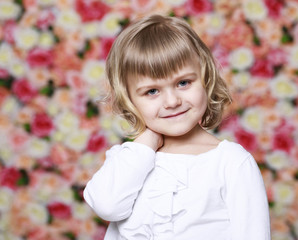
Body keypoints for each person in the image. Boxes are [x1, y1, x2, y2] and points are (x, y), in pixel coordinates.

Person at [83, 14, 270, 239]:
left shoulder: (231, 163)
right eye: (152, 91)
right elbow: (106, 205)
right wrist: (145, 144)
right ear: (130, 100)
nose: (172, 102)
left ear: (205, 78)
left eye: (183, 83)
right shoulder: (127, 159)